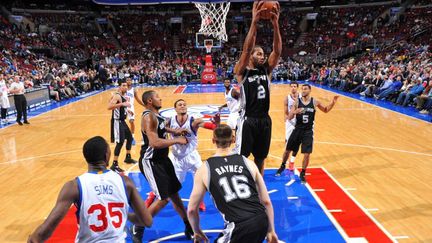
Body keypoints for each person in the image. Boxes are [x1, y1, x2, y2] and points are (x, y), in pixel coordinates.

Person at [27, 136, 152, 243]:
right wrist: (126, 215)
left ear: (86, 158)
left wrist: (33, 239)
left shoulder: (73, 186)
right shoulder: (126, 182)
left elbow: (46, 231)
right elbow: (147, 221)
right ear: (106, 155)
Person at [187, 124, 279, 243]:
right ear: (233, 140)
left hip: (238, 227)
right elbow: (266, 201)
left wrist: (196, 231)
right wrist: (271, 231)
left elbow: (191, 210)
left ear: (213, 140)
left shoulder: (204, 169)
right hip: (261, 221)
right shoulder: (248, 163)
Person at [131, 90, 194, 242]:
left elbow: (161, 128)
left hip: (163, 160)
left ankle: (188, 225)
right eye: (158, 97)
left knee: (175, 194)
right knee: (163, 198)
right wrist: (177, 140)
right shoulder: (148, 117)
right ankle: (138, 226)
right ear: (150, 101)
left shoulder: (156, 116)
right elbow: (154, 143)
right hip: (151, 161)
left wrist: (175, 131)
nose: (161, 98)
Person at [234, 1, 282, 174]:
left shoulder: (266, 70)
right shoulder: (242, 71)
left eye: (263, 54)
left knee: (261, 158)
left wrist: (275, 25)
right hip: (248, 120)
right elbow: (246, 50)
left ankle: (259, 186)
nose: (262, 56)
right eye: (259, 53)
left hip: (264, 120)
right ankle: (242, 187)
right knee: (242, 157)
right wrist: (254, 22)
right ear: (251, 56)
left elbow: (277, 52)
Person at [282, 84, 339, 183]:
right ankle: (283, 165)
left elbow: (325, 110)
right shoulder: (297, 102)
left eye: (305, 89)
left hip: (308, 131)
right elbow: (289, 116)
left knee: (307, 154)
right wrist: (295, 111)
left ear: (310, 90)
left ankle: (303, 173)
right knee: (288, 149)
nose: (303, 91)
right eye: (302, 89)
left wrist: (333, 103)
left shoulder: (314, 102)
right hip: (298, 129)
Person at [108, 80, 137, 173]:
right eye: (123, 85)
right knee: (120, 142)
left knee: (129, 138)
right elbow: (109, 106)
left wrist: (127, 111)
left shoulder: (123, 96)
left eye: (126, 85)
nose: (125, 87)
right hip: (117, 122)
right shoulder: (117, 96)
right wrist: (123, 104)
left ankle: (128, 157)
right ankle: (114, 164)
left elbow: (120, 108)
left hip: (123, 121)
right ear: (119, 87)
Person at [275, 81, 301, 176]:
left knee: (297, 144)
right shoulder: (287, 98)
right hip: (290, 122)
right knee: (288, 145)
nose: (293, 88)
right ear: (290, 87)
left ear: (297, 87)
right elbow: (286, 112)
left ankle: (292, 161)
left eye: (295, 86)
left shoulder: (302, 97)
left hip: (299, 122)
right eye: (292, 86)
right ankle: (283, 164)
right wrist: (287, 119)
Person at [125, 77, 145, 145]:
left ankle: (132, 137)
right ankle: (124, 136)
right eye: (127, 80)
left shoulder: (134, 90)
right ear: (125, 81)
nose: (129, 81)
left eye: (130, 80)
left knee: (132, 122)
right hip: (123, 107)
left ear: (131, 81)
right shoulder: (123, 89)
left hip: (130, 107)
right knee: (123, 123)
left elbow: (138, 99)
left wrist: (144, 105)